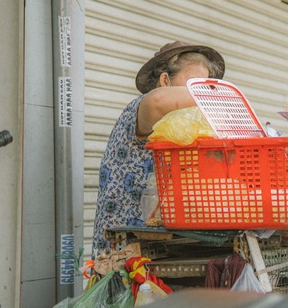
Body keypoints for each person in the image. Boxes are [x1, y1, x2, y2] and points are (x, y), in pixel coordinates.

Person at [91, 41, 225, 255]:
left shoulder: (183, 127)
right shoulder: (142, 107)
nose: (201, 93)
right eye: (195, 85)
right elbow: (157, 101)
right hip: (124, 251)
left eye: (206, 85)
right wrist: (218, 97)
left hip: (158, 245)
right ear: (165, 80)